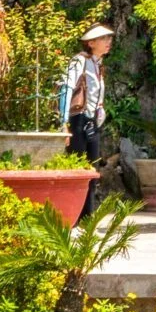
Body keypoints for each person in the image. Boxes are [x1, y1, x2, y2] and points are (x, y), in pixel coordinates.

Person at [61, 23, 115, 218]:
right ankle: (74, 216)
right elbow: (66, 89)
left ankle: (88, 215)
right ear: (91, 43)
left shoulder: (98, 64)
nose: (108, 42)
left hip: (92, 120)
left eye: (108, 38)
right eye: (103, 39)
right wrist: (62, 121)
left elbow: (95, 94)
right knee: (78, 166)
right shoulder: (79, 61)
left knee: (92, 167)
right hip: (78, 118)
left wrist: (100, 109)